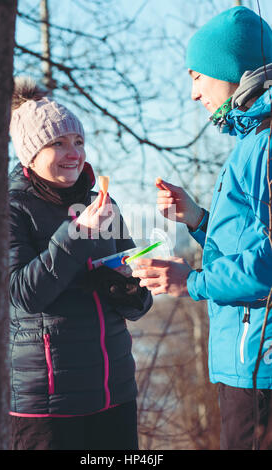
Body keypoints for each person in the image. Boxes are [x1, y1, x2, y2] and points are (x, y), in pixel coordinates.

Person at [132, 7, 272, 450]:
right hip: (246, 362)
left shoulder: (267, 143)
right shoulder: (253, 140)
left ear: (231, 70)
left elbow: (268, 263)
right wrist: (198, 219)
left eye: (197, 76)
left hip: (260, 367)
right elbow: (252, 239)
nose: (193, 94)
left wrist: (191, 281)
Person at [8, 76, 152, 450]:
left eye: (78, 142)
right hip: (49, 407)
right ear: (30, 154)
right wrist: (77, 234)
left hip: (115, 393)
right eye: (57, 143)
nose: (74, 153)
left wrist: (128, 283)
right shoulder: (8, 208)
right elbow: (22, 294)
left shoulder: (101, 204)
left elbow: (137, 306)